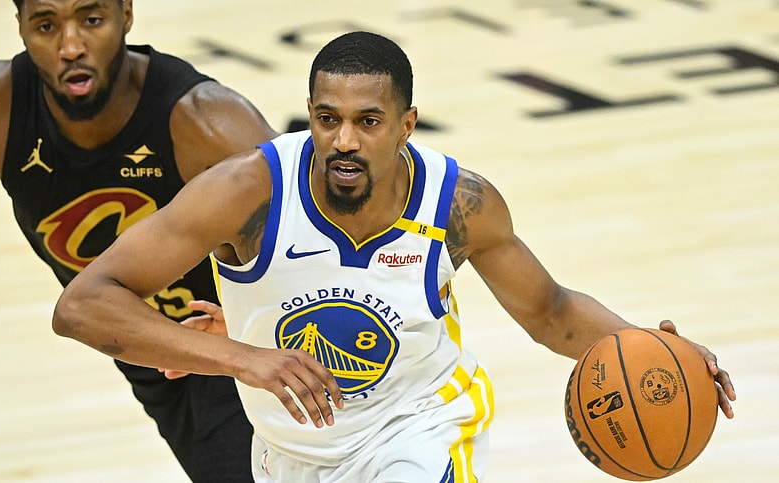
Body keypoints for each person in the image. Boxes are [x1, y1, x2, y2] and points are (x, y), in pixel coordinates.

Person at [52, 31, 736, 482]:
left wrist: (646, 343)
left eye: (368, 121)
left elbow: (550, 311)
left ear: (407, 125)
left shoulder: (459, 205)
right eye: (327, 118)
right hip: (288, 455)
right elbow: (83, 304)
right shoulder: (247, 193)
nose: (343, 139)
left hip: (417, 431)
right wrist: (244, 355)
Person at [0, 1, 278, 481]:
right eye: (46, 26)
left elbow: (318, 229)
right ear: (21, 28)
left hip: (237, 345)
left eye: (92, 21)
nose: (71, 46)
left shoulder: (206, 121)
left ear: (126, 15)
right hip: (145, 354)